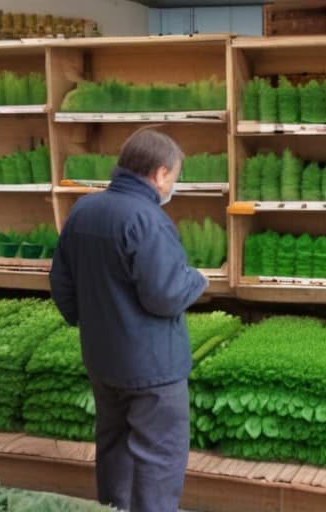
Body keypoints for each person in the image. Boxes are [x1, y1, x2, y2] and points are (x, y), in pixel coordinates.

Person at [49, 128, 208, 512]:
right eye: (175, 176)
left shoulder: (84, 210)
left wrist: (90, 323)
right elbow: (166, 296)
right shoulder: (147, 220)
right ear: (158, 174)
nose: (174, 185)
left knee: (114, 448)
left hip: (104, 362)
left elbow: (61, 282)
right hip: (153, 370)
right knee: (158, 458)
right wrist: (196, 279)